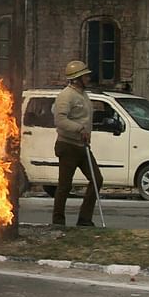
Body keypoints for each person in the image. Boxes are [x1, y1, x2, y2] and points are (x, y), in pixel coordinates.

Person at [53, 61, 99, 227]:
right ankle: (58, 221)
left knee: (97, 179)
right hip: (68, 145)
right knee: (65, 185)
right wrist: (79, 128)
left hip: (83, 146)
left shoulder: (83, 94)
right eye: (85, 76)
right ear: (77, 79)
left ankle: (84, 219)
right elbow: (60, 120)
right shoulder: (66, 96)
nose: (88, 78)